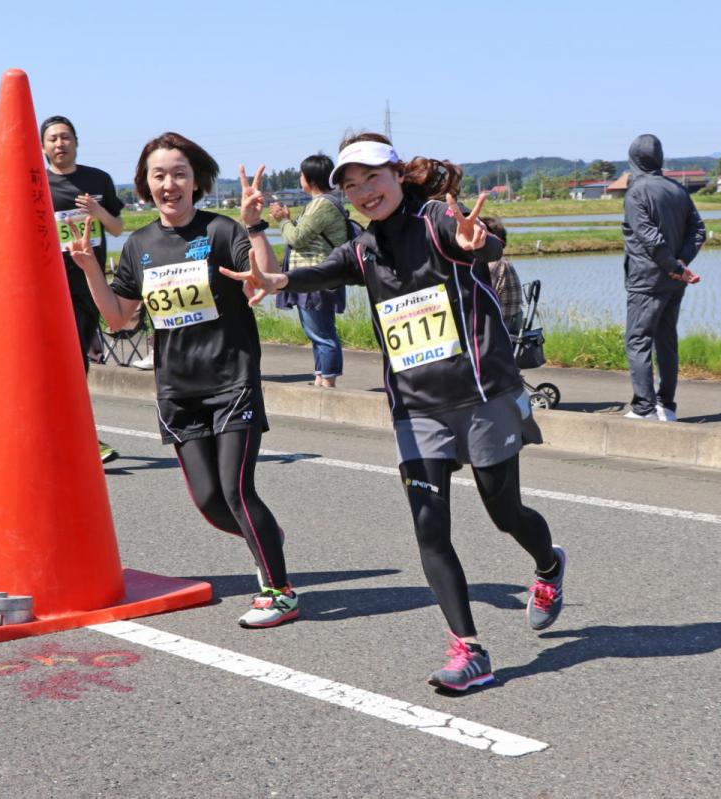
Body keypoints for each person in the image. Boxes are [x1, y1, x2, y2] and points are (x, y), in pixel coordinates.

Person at [225, 133, 565, 688]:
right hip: (415, 408)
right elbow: (307, 274)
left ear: (396, 176)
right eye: (350, 185)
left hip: (481, 396)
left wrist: (478, 242)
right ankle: (468, 650)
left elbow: (476, 246)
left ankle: (548, 566)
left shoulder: (435, 220)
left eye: (371, 179)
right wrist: (265, 253)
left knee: (505, 514)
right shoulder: (364, 248)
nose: (362, 192)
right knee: (430, 529)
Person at [66, 131, 299, 629]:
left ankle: (279, 591)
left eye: (179, 174)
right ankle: (268, 538)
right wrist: (89, 268)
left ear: (197, 182)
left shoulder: (221, 231)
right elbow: (119, 319)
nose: (169, 183)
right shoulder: (140, 244)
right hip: (178, 390)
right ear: (145, 186)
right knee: (212, 503)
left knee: (237, 491)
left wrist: (255, 227)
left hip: (232, 378)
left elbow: (265, 279)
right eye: (158, 175)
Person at [41, 115, 126, 464]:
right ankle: (82, 438)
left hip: (89, 285)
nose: (60, 144)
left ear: (76, 141)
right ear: (43, 147)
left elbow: (118, 228)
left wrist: (97, 210)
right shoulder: (35, 183)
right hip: (49, 289)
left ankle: (67, 436)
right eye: (53, 139)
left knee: (76, 366)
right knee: (66, 365)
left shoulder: (97, 179)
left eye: (66, 137)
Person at [621, 134, 706, 422]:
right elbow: (698, 230)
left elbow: (649, 239)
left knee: (638, 340)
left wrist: (675, 266)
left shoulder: (636, 192)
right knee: (666, 341)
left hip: (646, 279)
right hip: (674, 281)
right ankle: (666, 406)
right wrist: (681, 263)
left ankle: (644, 408)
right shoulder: (677, 189)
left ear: (633, 159)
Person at [269, 154, 348, 388]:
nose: (300, 179)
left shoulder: (322, 204)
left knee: (321, 332)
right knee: (317, 331)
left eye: (301, 175)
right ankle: (319, 378)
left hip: (317, 277)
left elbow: (296, 238)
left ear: (310, 179)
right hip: (314, 277)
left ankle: (328, 382)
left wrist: (282, 221)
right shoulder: (320, 203)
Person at [482, 217, 524, 334]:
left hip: (500, 328)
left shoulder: (494, 263)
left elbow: (477, 299)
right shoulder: (501, 261)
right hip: (509, 324)